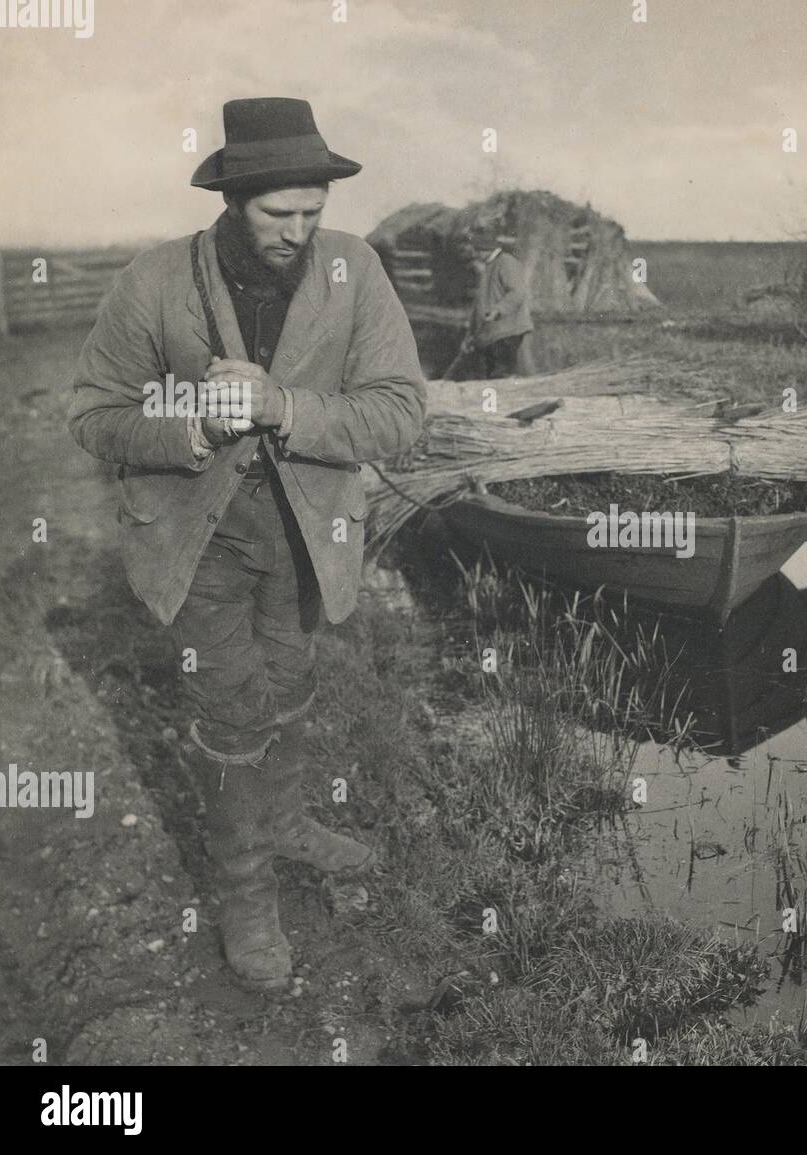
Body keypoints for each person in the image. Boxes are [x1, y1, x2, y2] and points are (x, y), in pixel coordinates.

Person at [67, 98, 426, 990]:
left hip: (308, 530)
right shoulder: (155, 282)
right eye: (278, 214)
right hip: (200, 534)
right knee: (231, 713)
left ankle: (291, 820)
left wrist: (284, 408)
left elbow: (401, 408)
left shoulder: (355, 270)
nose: (299, 232)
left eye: (314, 211)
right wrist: (186, 427)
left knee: (290, 681)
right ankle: (244, 894)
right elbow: (92, 412)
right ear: (233, 200)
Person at [465, 226, 534, 377]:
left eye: (476, 251)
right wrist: (470, 336)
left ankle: (504, 398)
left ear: (484, 249)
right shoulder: (489, 266)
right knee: (490, 374)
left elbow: (518, 292)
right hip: (493, 332)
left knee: (501, 374)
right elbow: (481, 303)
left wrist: (499, 310)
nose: (474, 255)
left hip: (507, 330)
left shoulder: (506, 262)